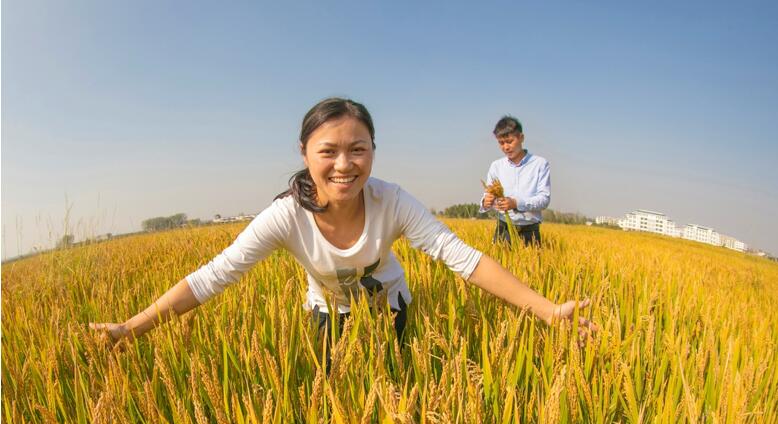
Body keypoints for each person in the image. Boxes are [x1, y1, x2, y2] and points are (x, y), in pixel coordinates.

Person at [90, 98, 592, 356]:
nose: (344, 165)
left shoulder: (391, 200)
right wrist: (129, 329)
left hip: (392, 308)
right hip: (327, 314)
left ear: (373, 151)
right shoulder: (286, 215)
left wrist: (549, 312)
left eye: (358, 150)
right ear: (305, 154)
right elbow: (211, 278)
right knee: (333, 398)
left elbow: (463, 257)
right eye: (328, 151)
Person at [480, 116, 550, 246]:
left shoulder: (540, 164)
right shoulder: (496, 166)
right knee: (499, 265)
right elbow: (488, 195)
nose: (506, 147)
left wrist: (516, 203)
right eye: (501, 143)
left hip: (530, 232)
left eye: (509, 141)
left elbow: (544, 199)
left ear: (521, 138)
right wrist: (486, 201)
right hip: (503, 229)